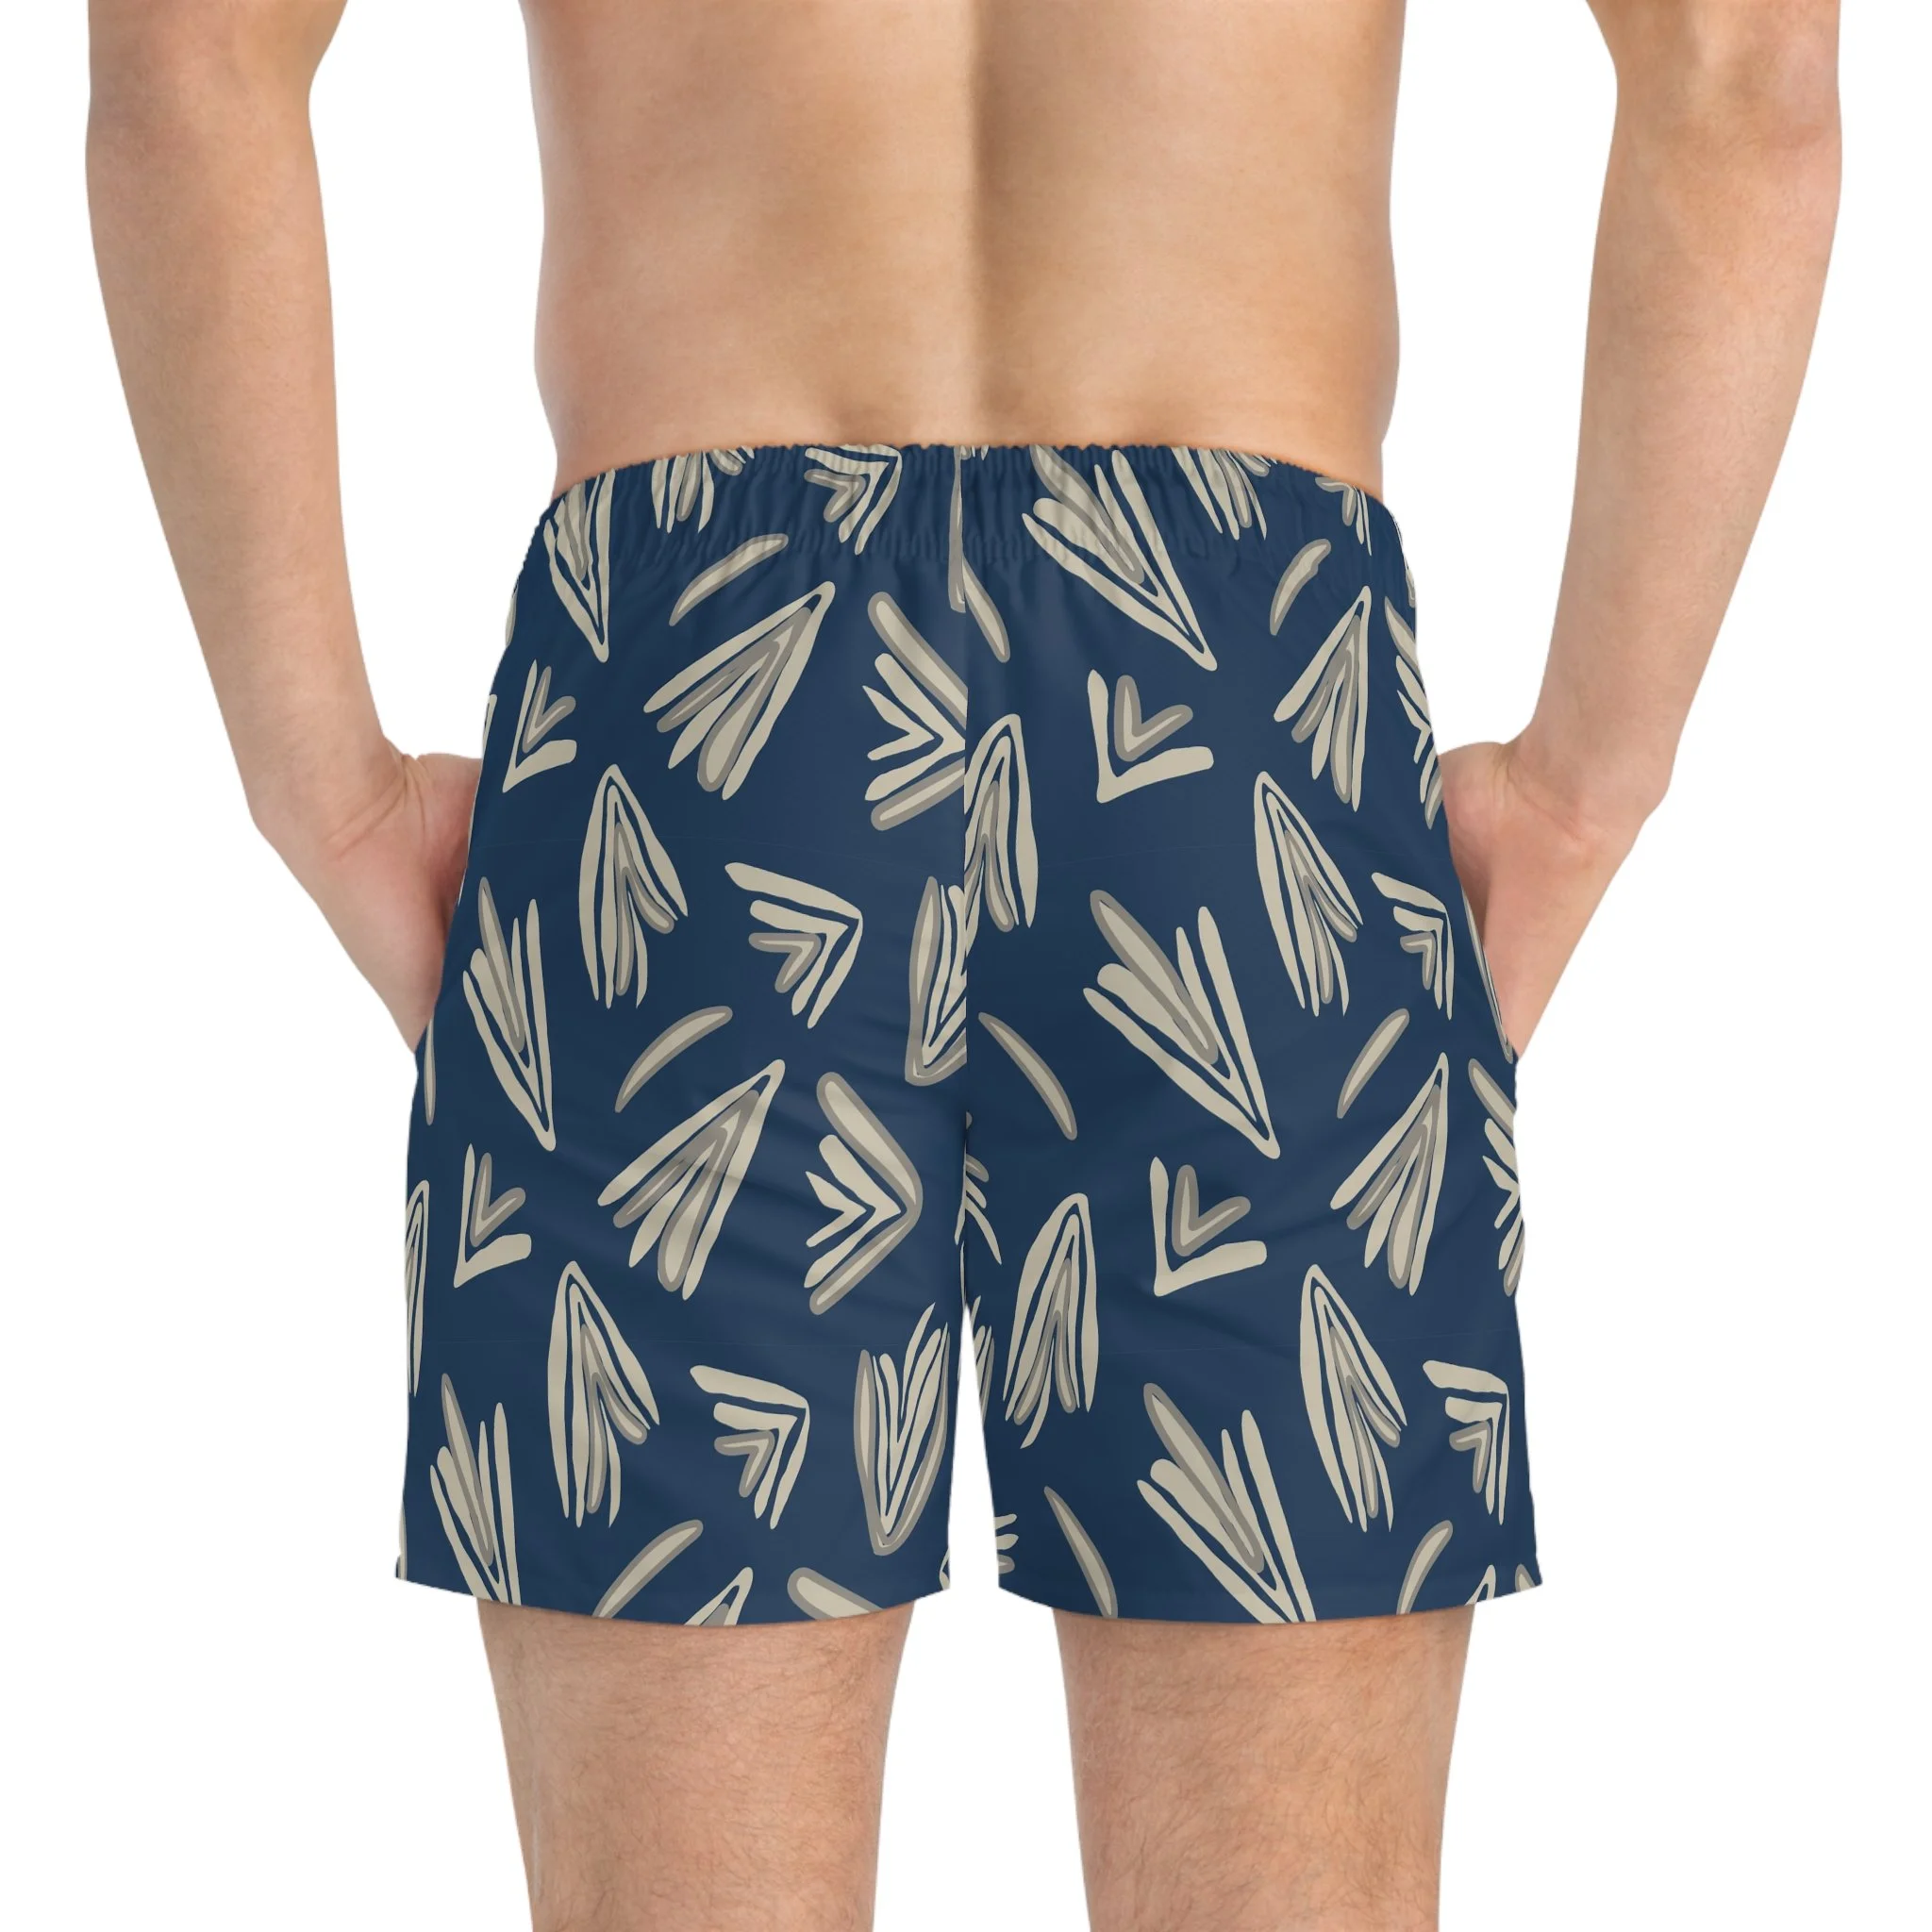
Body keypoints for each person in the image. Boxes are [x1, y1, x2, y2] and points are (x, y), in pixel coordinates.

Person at [86, 2, 1840, 1924]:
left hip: (706, 696)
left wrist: (319, 780)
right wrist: (1586, 781)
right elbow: (1742, 62)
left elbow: (188, 55)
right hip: (1240, 692)